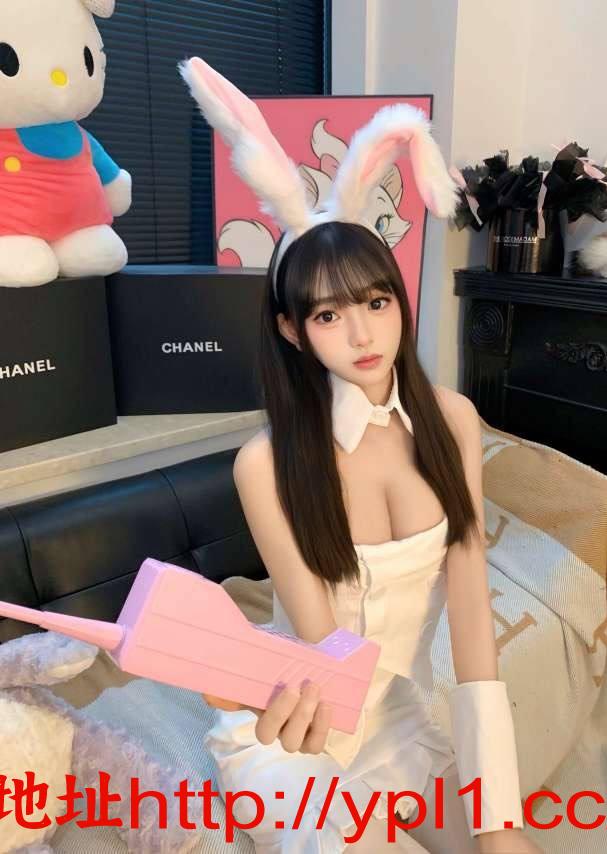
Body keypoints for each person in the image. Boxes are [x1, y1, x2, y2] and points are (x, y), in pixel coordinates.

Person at [180, 57, 543, 854]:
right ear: (290, 329)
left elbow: (471, 618)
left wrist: (500, 822)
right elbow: (321, 644)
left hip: (400, 716)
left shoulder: (452, 420)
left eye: (377, 302)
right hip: (297, 717)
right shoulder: (265, 464)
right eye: (328, 315)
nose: (362, 334)